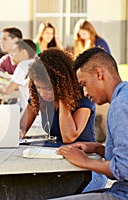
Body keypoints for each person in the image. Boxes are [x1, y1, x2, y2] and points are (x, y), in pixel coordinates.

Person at [20, 48, 107, 192]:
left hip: (87, 171)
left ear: (61, 83)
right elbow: (21, 128)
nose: (43, 93)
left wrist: (62, 98)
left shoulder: (84, 96)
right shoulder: (39, 96)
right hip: (57, 167)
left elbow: (69, 137)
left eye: (47, 88)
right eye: (38, 87)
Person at [54, 47, 128, 199]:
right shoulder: (124, 96)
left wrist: (84, 161)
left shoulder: (119, 105)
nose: (85, 93)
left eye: (84, 84)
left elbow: (123, 169)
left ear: (99, 74)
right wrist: (99, 149)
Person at [0, 39, 36, 111]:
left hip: (29, 112)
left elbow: (7, 91)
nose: (11, 55)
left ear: (23, 52)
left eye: (14, 51)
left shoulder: (23, 65)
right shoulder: (37, 63)